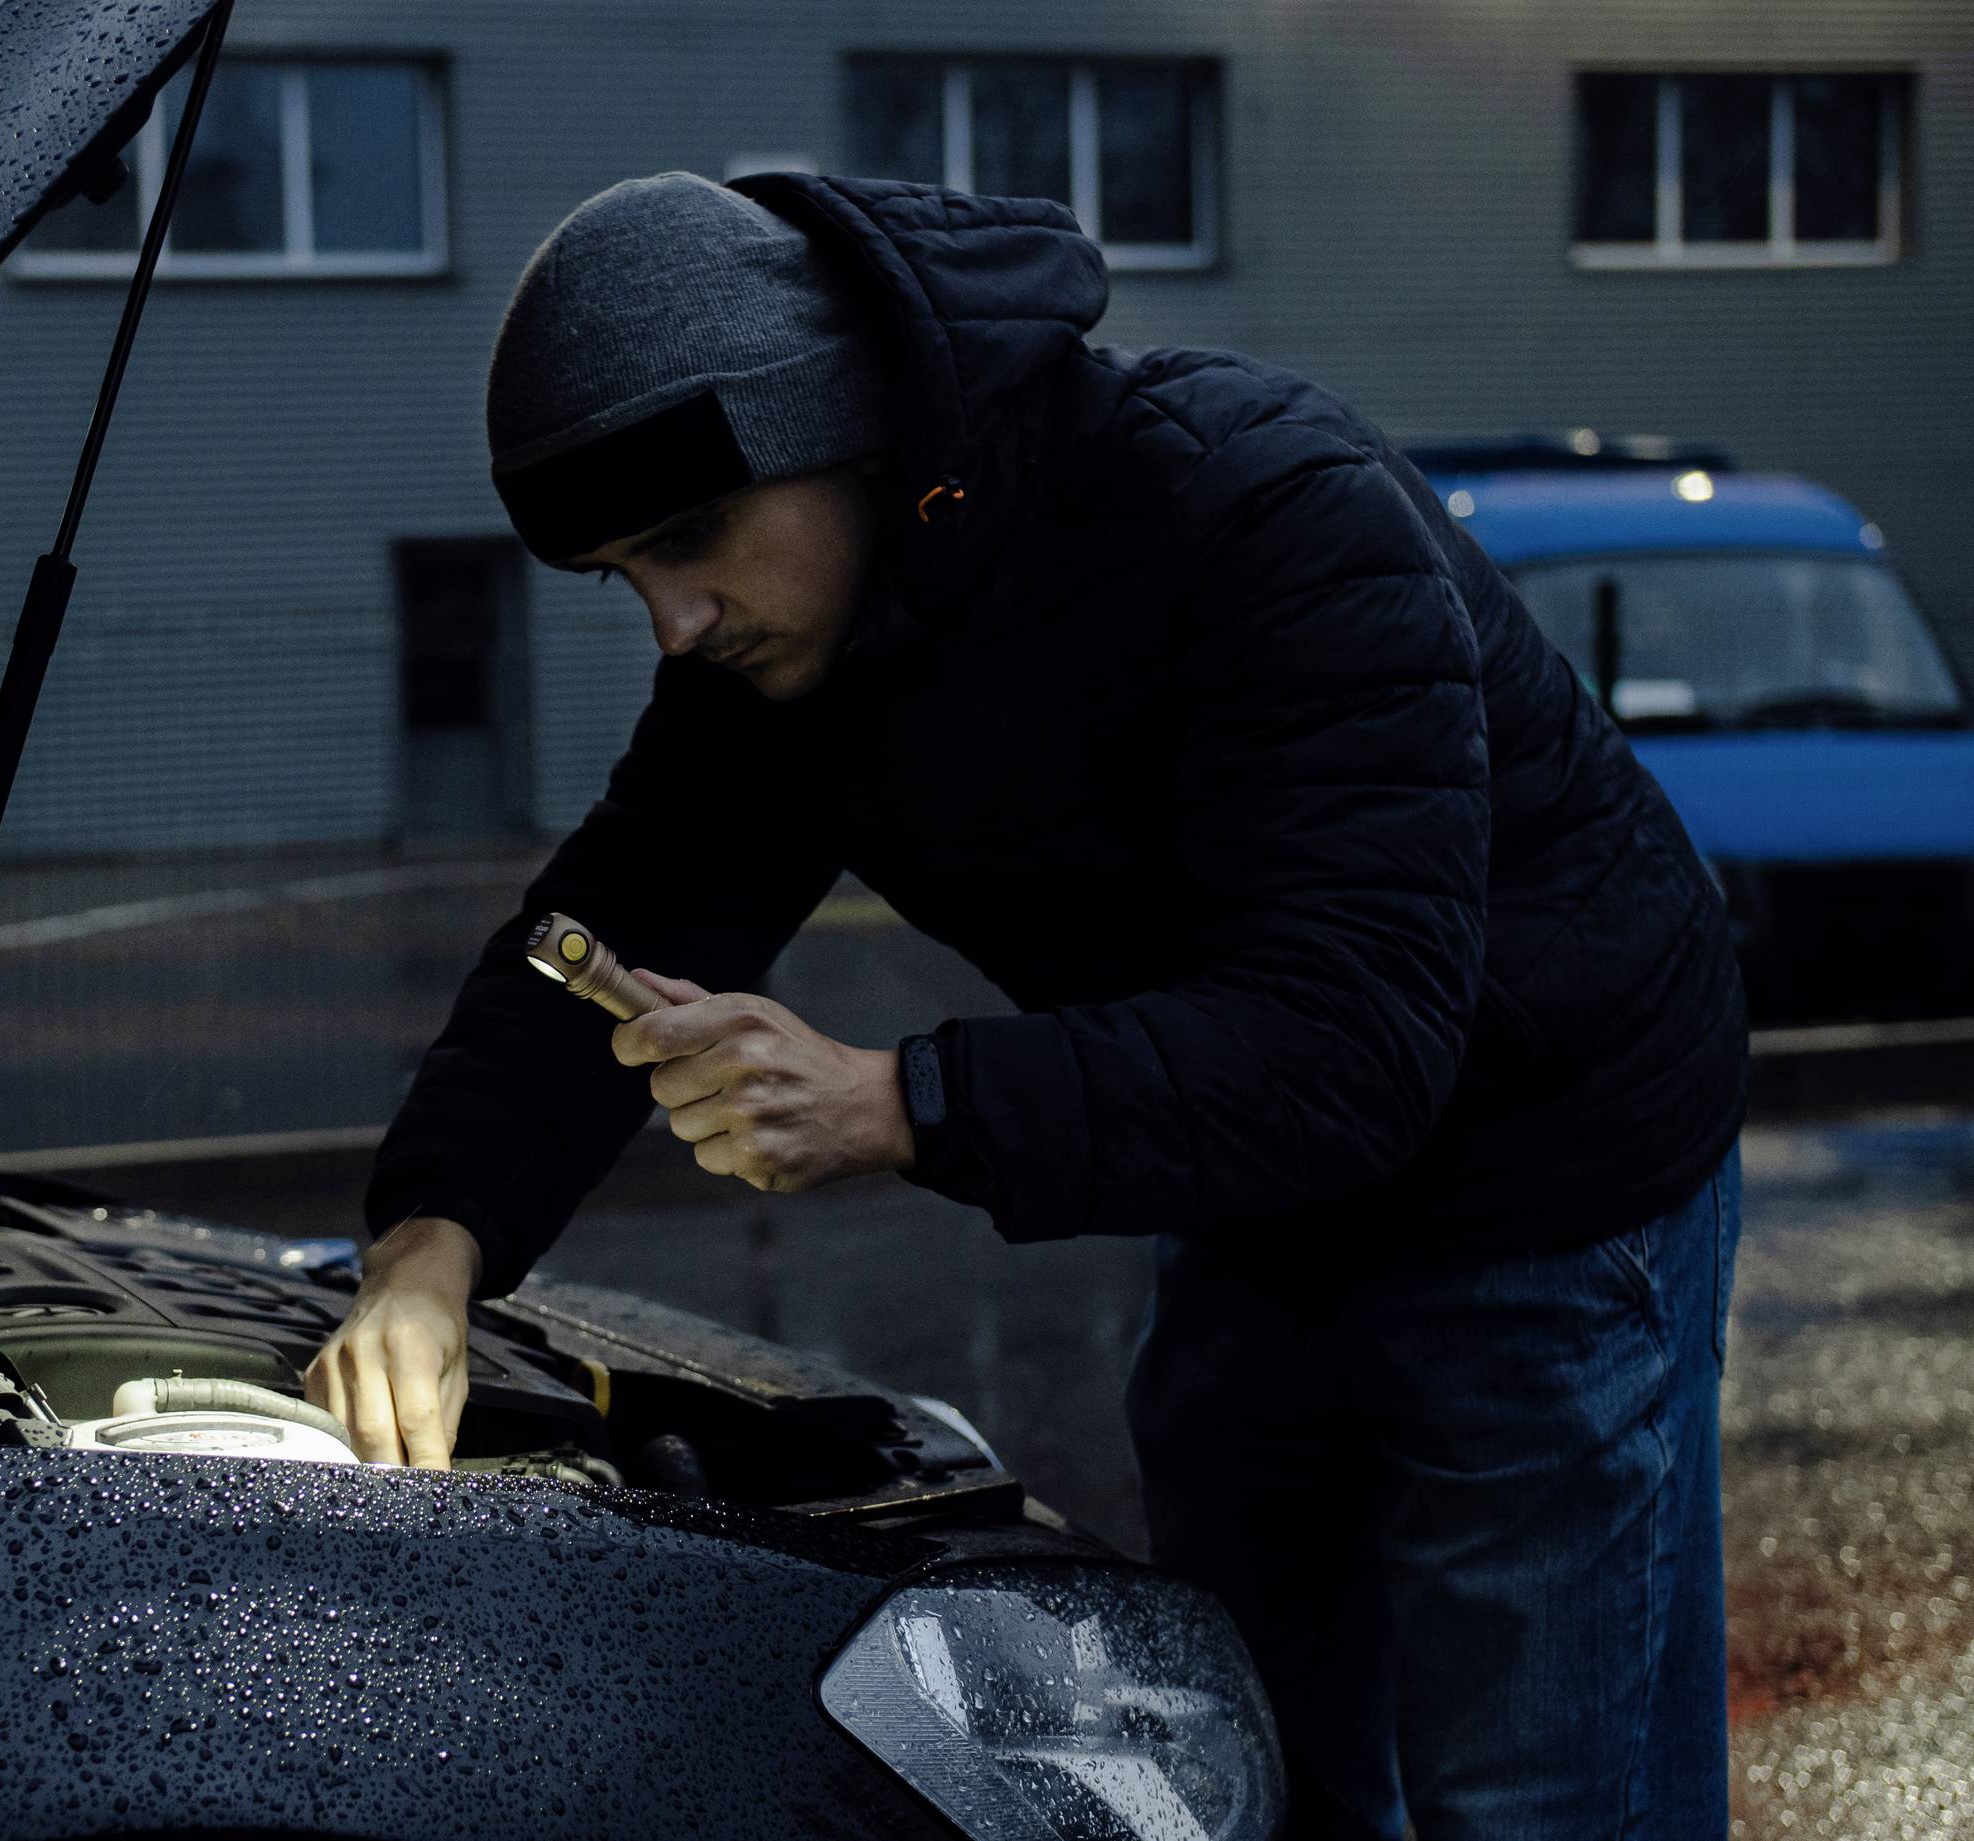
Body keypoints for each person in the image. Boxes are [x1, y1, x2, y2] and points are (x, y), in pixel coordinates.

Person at [303, 172, 1748, 1838]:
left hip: (1550, 1181)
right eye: (623, 573)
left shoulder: (1262, 511)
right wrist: (430, 1249)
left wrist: (898, 1101)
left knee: (1545, 1803)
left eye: (689, 538)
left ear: (842, 429)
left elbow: (1355, 1038)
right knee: (1244, 1768)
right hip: (1257, 1185)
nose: (673, 618)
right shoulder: (790, 651)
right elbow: (609, 916)